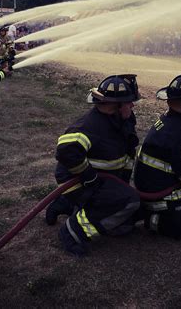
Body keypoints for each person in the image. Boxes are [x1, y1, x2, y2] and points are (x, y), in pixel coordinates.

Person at [47, 74, 141, 257]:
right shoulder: (90, 126)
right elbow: (66, 150)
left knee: (131, 210)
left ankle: (65, 203)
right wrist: (88, 176)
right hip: (78, 180)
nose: (133, 105)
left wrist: (121, 182)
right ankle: (73, 231)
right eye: (129, 102)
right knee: (129, 200)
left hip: (100, 178)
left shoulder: (121, 120)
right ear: (116, 105)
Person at [134, 73, 181, 240]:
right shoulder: (178, 134)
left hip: (154, 187)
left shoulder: (170, 120)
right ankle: (156, 220)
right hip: (162, 198)